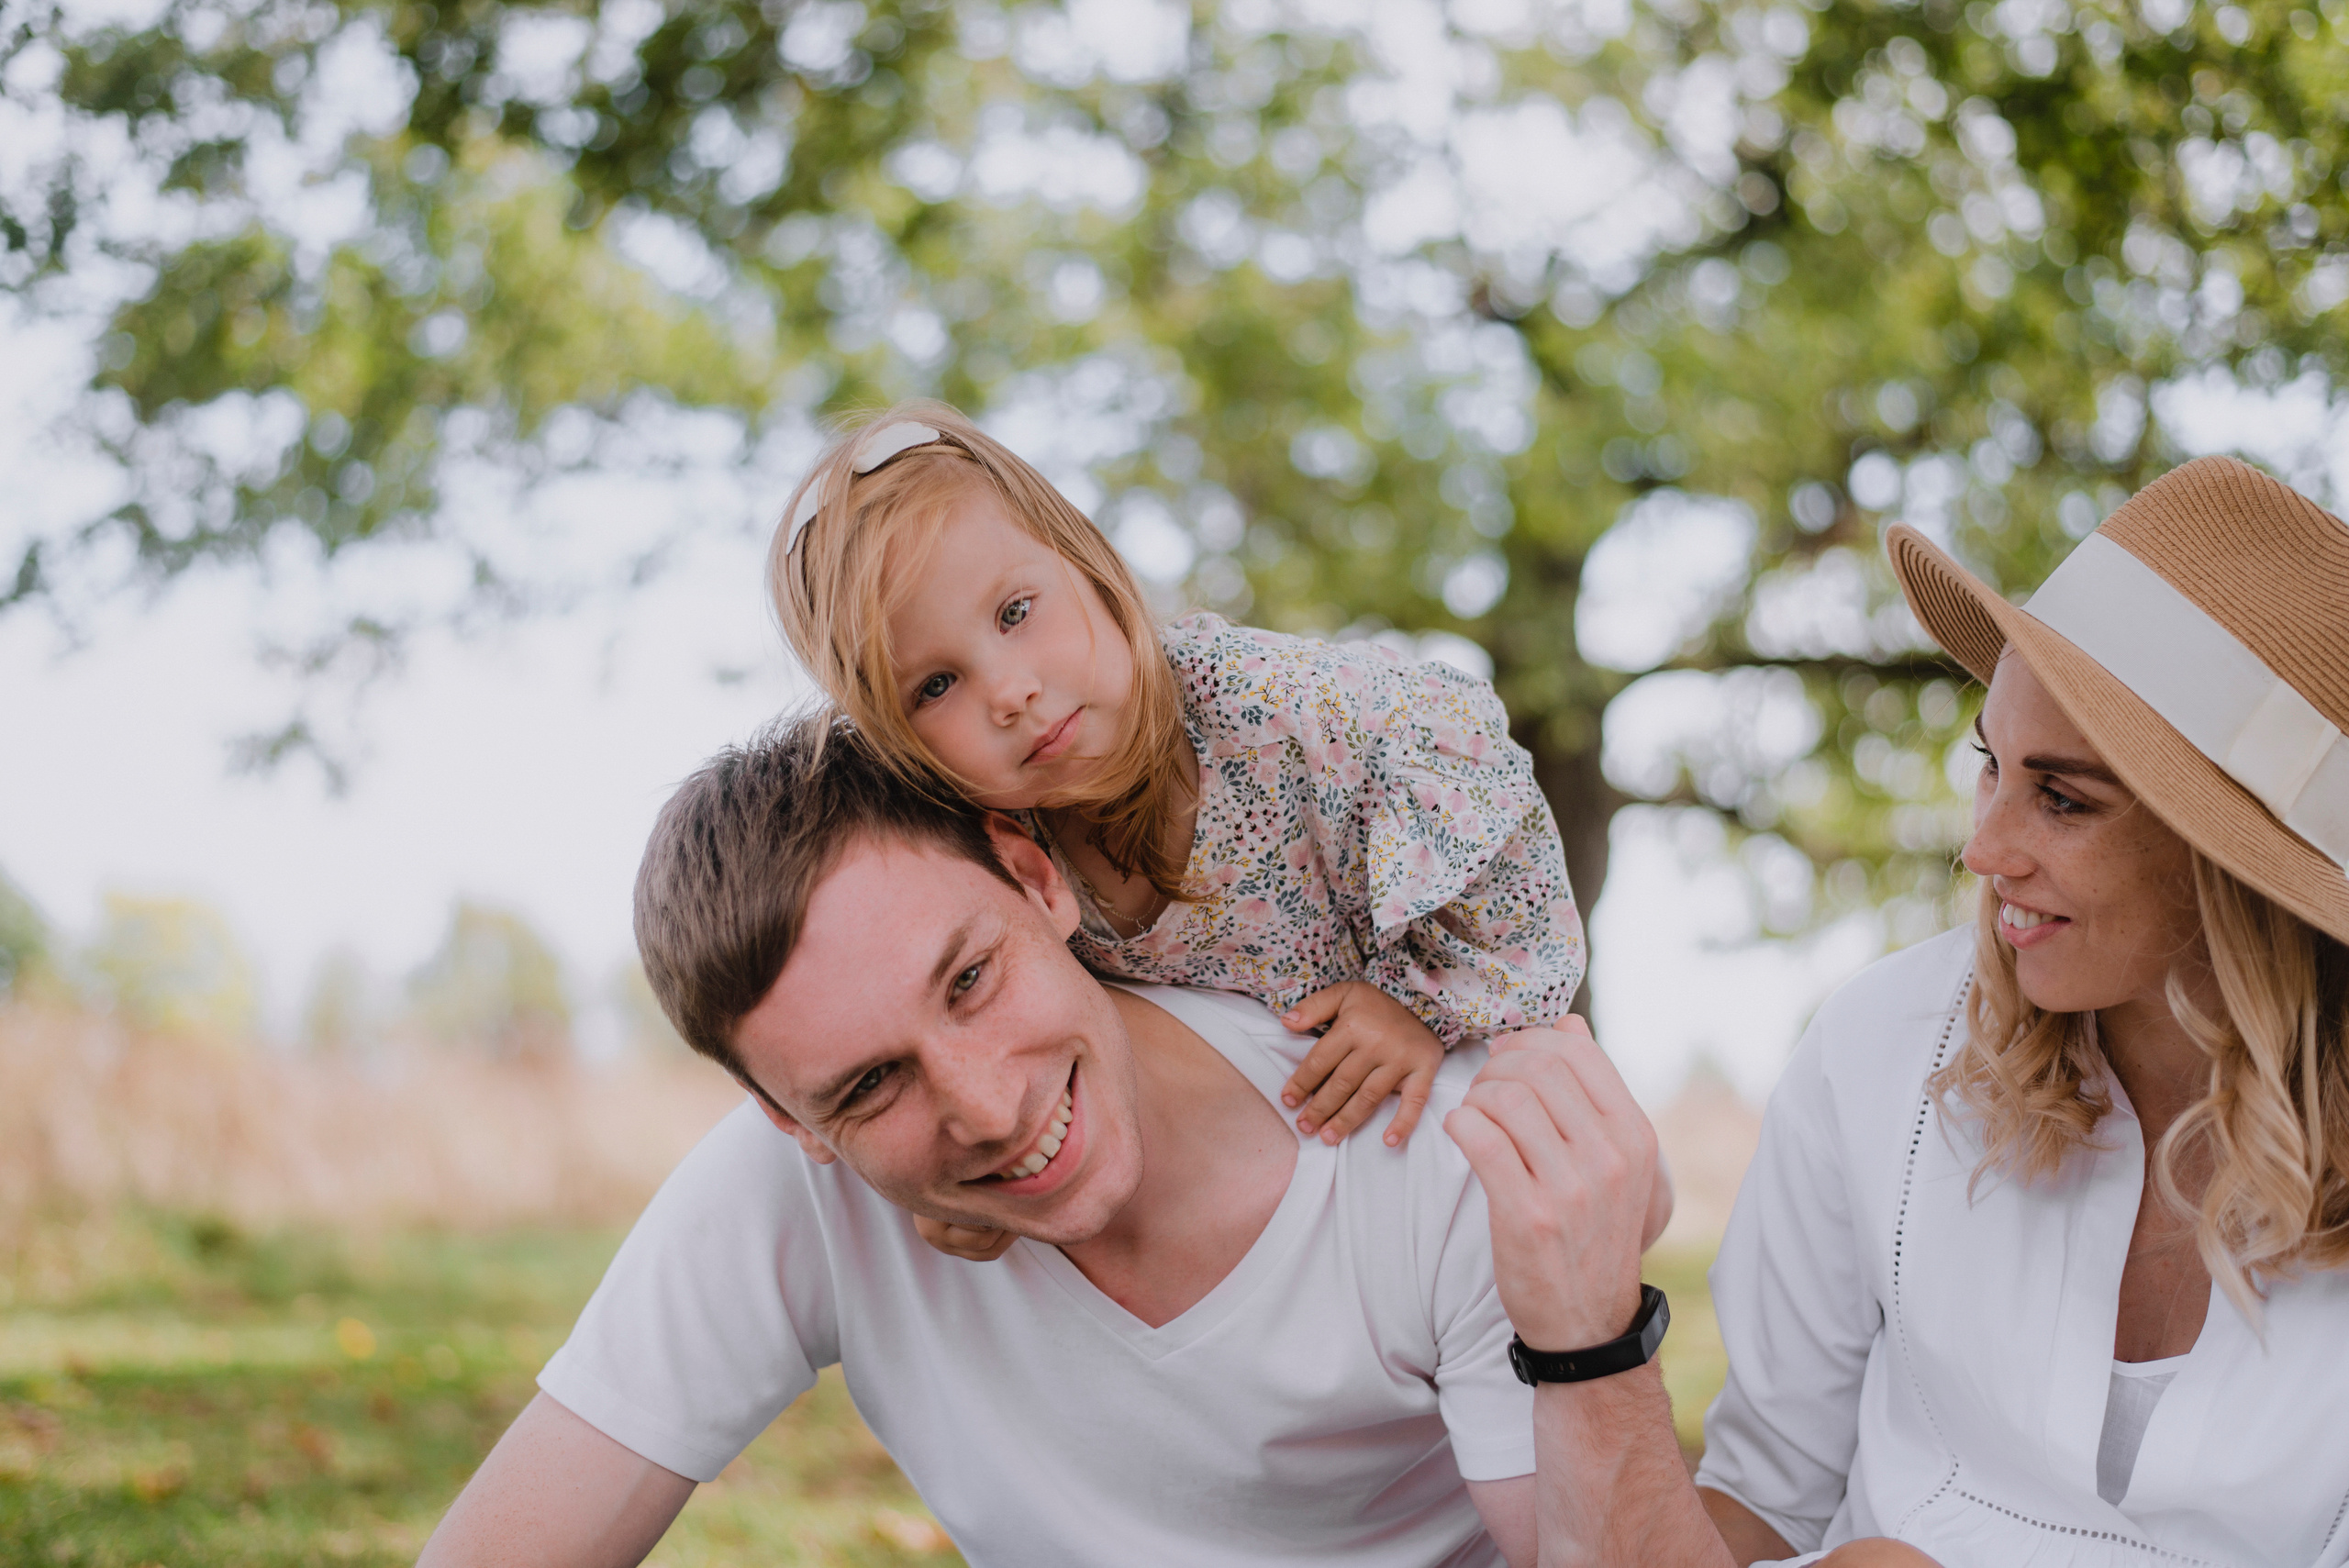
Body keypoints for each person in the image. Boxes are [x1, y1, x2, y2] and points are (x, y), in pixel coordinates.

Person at [413, 709, 1670, 1568]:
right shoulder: (788, 1192)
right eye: (871, 1084)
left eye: (968, 980)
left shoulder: (1429, 1148)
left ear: (1036, 878)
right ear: (791, 1120)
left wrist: (1590, 1345)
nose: (986, 1105)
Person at [1461, 455, 2349, 1567]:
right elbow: (1760, 1502)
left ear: (2231, 861)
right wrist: (1592, 1348)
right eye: (1990, 765)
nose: (1984, 847)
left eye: (2061, 797)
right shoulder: (1879, 1047)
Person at [768, 402, 1591, 1267]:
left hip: (1438, 1139)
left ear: (1085, 560)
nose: (1009, 692)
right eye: (935, 686)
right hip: (1256, 1190)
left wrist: (1423, 1006)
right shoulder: (985, 848)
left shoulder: (1291, 712)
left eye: (1014, 612)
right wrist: (962, 1173)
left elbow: (1495, 829)